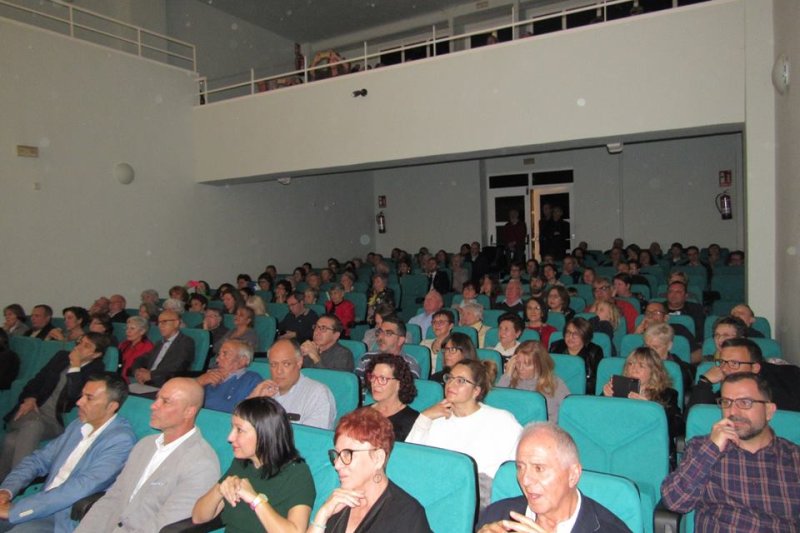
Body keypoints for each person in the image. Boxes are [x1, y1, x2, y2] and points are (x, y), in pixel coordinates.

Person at [75, 378, 220, 532]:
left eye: (166, 402)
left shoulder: (201, 464)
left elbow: (165, 526)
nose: (153, 406)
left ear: (189, 411)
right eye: (157, 398)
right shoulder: (145, 445)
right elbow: (113, 498)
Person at [661, 373, 800, 532]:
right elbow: (674, 501)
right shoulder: (702, 448)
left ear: (769, 410)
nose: (733, 411)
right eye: (726, 402)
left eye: (745, 402)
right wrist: (711, 449)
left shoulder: (794, 458)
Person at [0, 373, 136, 532]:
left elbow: (80, 488)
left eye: (89, 398)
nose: (79, 402)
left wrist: (16, 510)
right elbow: (38, 460)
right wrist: (6, 491)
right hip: (38, 502)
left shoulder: (121, 440)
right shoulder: (77, 425)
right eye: (82, 396)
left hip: (64, 516)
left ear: (112, 406)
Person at [407, 359, 521, 509]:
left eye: (461, 381)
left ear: (476, 391)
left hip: (480, 499)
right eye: (450, 378)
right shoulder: (435, 418)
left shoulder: (501, 420)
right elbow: (409, 462)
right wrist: (424, 417)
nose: (451, 384)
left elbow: (519, 465)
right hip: (436, 493)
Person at [477, 423, 630, 532]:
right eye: (520, 467)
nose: (525, 480)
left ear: (573, 475)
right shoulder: (496, 515)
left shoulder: (610, 529)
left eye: (539, 468)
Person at [191, 397, 316, 532]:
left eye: (239, 430)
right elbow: (198, 518)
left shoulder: (297, 473)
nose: (230, 437)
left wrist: (255, 499)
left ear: (264, 434)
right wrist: (219, 489)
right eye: (232, 428)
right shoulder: (241, 464)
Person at [0, 332, 111, 480]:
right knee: (30, 426)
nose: (79, 347)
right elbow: (37, 380)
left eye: (87, 346)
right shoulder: (61, 357)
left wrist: (75, 367)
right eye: (80, 342)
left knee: (11, 440)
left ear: (96, 354)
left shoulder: (96, 371)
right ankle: (14, 485)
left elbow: (74, 395)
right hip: (31, 411)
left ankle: (10, 483)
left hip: (54, 421)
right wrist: (30, 397)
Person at [310, 408, 432, 532]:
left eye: (347, 454)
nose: (337, 465)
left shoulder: (407, 515)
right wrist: (322, 515)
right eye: (336, 455)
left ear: (378, 459)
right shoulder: (337, 501)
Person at [688, 338, 800, 412]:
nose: (724, 369)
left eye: (734, 363)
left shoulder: (787, 381)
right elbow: (697, 416)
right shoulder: (729, 386)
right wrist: (705, 383)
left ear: (755, 368)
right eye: (722, 362)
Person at [601, 348, 682, 447]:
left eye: (641, 366)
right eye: (630, 364)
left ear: (653, 371)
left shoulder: (667, 394)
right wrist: (604, 399)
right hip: (618, 442)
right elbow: (598, 420)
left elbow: (677, 428)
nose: (634, 369)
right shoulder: (617, 388)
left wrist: (651, 409)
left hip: (650, 445)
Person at [249, 340, 337, 430]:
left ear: (299, 363)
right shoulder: (263, 392)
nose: (279, 371)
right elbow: (240, 428)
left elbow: (311, 440)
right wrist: (252, 399)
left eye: (286, 364)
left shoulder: (317, 394)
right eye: (274, 364)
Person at [498, 341, 569, 423]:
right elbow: (497, 406)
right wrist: (507, 375)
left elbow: (569, 414)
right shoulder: (509, 380)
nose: (521, 368)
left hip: (544, 431)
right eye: (518, 363)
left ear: (539, 365)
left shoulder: (555, 384)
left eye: (527, 364)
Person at [129, 310, 195, 387]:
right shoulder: (159, 343)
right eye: (159, 323)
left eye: (164, 322)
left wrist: (151, 375)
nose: (160, 326)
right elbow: (142, 358)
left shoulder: (185, 342)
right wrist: (137, 371)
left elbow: (177, 366)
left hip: (167, 384)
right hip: (148, 383)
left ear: (176, 323)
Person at [198, 340, 262, 413]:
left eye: (225, 354)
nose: (217, 359)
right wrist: (199, 382)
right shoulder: (209, 376)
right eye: (218, 354)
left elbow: (241, 411)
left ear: (243, 360)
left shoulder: (252, 380)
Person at [366, 354, 419, 442]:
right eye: (373, 377)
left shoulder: (412, 420)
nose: (375, 383)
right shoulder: (361, 413)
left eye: (383, 379)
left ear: (399, 383)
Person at [356, 317, 421, 382]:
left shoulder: (409, 366)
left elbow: (407, 390)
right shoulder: (366, 358)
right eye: (380, 332)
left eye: (388, 333)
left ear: (400, 340)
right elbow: (358, 388)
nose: (380, 337)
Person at [550, 317, 603, 394]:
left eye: (575, 333)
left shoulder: (594, 352)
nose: (570, 337)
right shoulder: (555, 347)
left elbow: (596, 384)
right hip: (556, 392)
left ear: (585, 336)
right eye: (568, 332)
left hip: (583, 396)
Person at [643, 323, 694, 392]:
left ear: (669, 346)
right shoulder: (637, 361)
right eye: (647, 346)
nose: (649, 351)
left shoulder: (679, 371)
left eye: (655, 347)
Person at [117, 315, 155, 382]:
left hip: (131, 381)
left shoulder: (147, 348)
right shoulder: (124, 344)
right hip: (117, 378)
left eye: (132, 328)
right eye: (127, 328)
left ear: (142, 331)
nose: (127, 331)